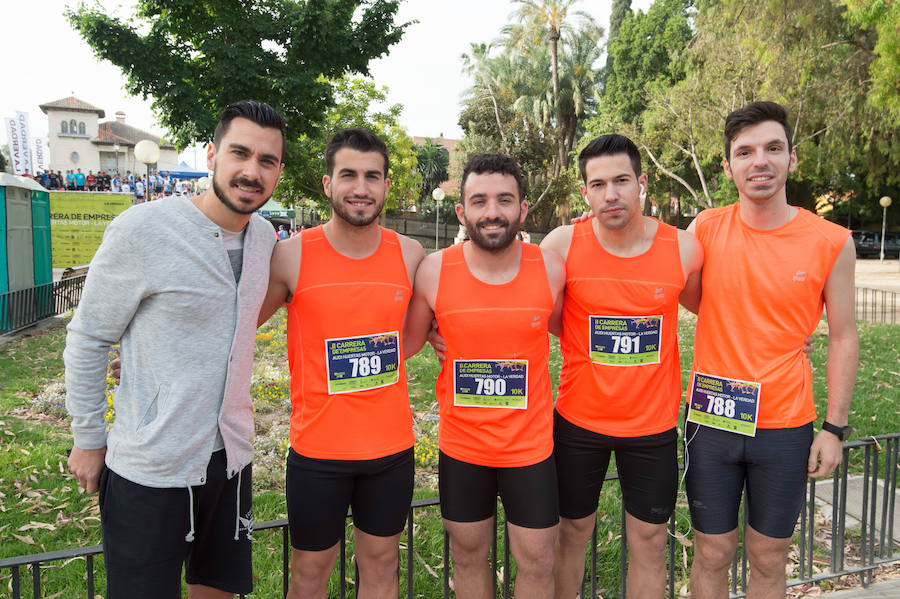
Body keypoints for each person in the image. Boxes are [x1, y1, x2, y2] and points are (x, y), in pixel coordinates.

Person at [64, 100, 286, 599]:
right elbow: (89, 336)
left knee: (217, 590)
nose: (252, 171)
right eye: (240, 153)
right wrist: (87, 435)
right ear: (211, 155)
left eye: (267, 161)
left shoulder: (265, 239)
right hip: (152, 464)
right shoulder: (143, 230)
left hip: (229, 459)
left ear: (278, 171)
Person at [685, 101, 858, 599]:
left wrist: (834, 429)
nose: (759, 161)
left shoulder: (831, 241)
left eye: (772, 148)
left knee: (768, 555)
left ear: (791, 159)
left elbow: (844, 335)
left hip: (785, 425)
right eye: (745, 151)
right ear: (728, 166)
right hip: (712, 420)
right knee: (712, 553)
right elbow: (680, 294)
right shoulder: (705, 228)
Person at [258, 127, 425, 599]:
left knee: (382, 567)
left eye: (373, 176)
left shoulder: (409, 255)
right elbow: (238, 324)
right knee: (310, 574)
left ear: (387, 186)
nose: (361, 187)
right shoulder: (291, 256)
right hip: (317, 452)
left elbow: (416, 337)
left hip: (390, 451)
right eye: (348, 174)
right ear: (328, 183)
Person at [540, 134, 703, 599]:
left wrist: (790, 335)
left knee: (650, 542)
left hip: (651, 427)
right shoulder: (561, 245)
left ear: (641, 183)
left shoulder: (684, 249)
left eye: (621, 181)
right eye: (598, 184)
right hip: (577, 422)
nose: (610, 194)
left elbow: (717, 309)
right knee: (570, 533)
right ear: (585, 192)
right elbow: (548, 319)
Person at [404, 153, 566, 599]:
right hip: (463, 447)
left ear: (523, 209)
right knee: (468, 556)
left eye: (504, 200)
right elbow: (407, 342)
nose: (492, 211)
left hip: (530, 447)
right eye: (479, 201)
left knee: (538, 560)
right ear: (462, 212)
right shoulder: (434, 271)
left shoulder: (551, 268)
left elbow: (568, 325)